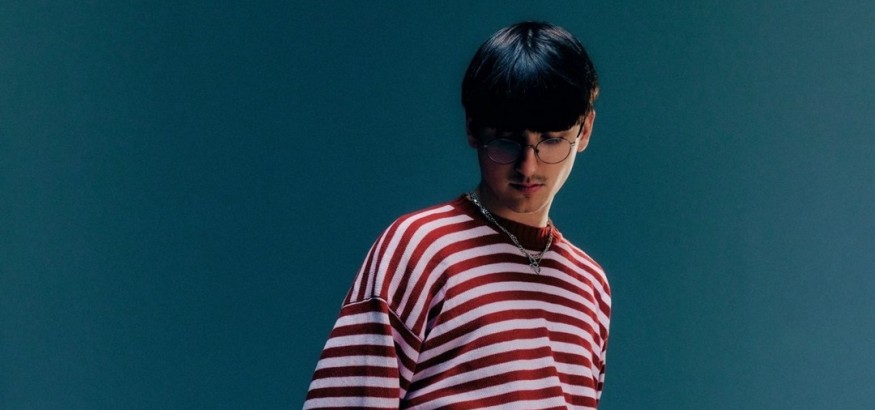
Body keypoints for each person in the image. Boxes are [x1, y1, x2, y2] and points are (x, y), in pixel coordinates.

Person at [304, 21, 610, 409]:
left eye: (551, 140)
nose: (528, 167)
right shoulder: (418, 248)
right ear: (472, 130)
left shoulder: (590, 284)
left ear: (585, 130)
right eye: (507, 141)